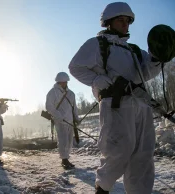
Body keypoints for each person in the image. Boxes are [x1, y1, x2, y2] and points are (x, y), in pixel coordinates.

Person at [68, 2, 172, 193]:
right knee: (118, 152)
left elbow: (146, 72)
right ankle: (103, 188)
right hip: (116, 105)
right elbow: (75, 67)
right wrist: (102, 81)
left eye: (128, 21)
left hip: (141, 105)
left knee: (143, 154)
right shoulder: (97, 44)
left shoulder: (133, 50)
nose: (125, 25)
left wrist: (157, 59)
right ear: (108, 22)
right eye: (121, 20)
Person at [45, 72, 80, 169]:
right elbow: (49, 106)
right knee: (63, 140)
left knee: (69, 141)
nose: (64, 84)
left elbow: (74, 108)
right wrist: (58, 115)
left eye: (65, 82)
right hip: (60, 121)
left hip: (70, 121)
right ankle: (64, 160)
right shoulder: (52, 93)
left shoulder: (71, 94)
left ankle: (67, 158)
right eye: (62, 82)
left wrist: (76, 118)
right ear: (58, 82)